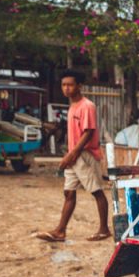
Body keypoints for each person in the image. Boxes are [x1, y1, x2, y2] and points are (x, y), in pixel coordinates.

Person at [34, 69, 110, 242]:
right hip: (74, 156)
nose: (66, 88)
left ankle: (104, 229)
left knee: (96, 191)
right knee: (69, 193)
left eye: (70, 85)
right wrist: (70, 155)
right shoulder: (72, 106)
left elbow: (88, 132)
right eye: (64, 85)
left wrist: (71, 155)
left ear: (79, 86)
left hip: (85, 155)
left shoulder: (87, 106)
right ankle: (60, 231)